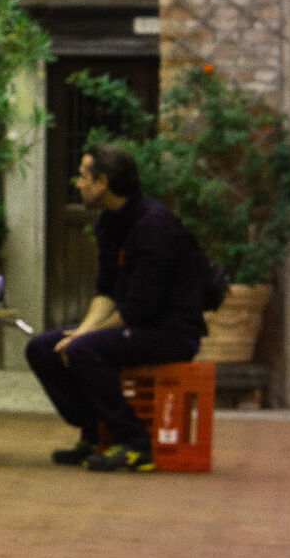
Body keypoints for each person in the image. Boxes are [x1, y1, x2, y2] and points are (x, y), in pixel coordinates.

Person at [25, 141, 216, 472]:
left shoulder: (154, 226)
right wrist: (81, 332)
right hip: (134, 324)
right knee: (42, 348)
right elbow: (106, 291)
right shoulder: (108, 223)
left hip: (171, 332)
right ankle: (93, 431)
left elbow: (140, 309)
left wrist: (83, 340)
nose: (78, 183)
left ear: (103, 183)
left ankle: (134, 445)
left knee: (84, 350)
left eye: (84, 176)